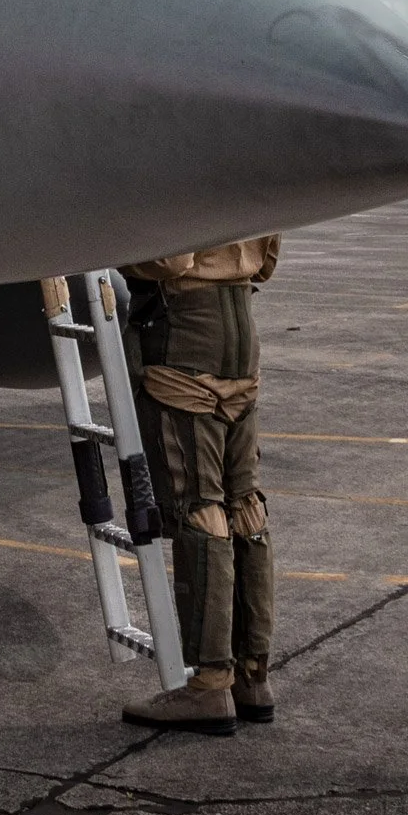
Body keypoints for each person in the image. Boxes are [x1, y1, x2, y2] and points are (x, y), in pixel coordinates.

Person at [119, 235, 280, 734]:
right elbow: (267, 260)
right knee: (244, 503)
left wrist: (107, 250)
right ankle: (252, 677)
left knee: (199, 508)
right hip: (239, 331)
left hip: (185, 331)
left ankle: (209, 685)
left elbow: (171, 257)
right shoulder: (253, 160)